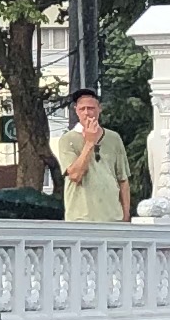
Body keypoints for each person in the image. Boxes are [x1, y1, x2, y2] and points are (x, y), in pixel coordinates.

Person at [56, 87, 133, 224]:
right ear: (76, 111)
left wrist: (126, 214)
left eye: (91, 108)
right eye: (82, 109)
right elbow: (75, 175)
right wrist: (89, 142)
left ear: (99, 109)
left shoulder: (114, 138)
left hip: (113, 216)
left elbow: (123, 179)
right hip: (81, 217)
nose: (87, 113)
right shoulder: (67, 140)